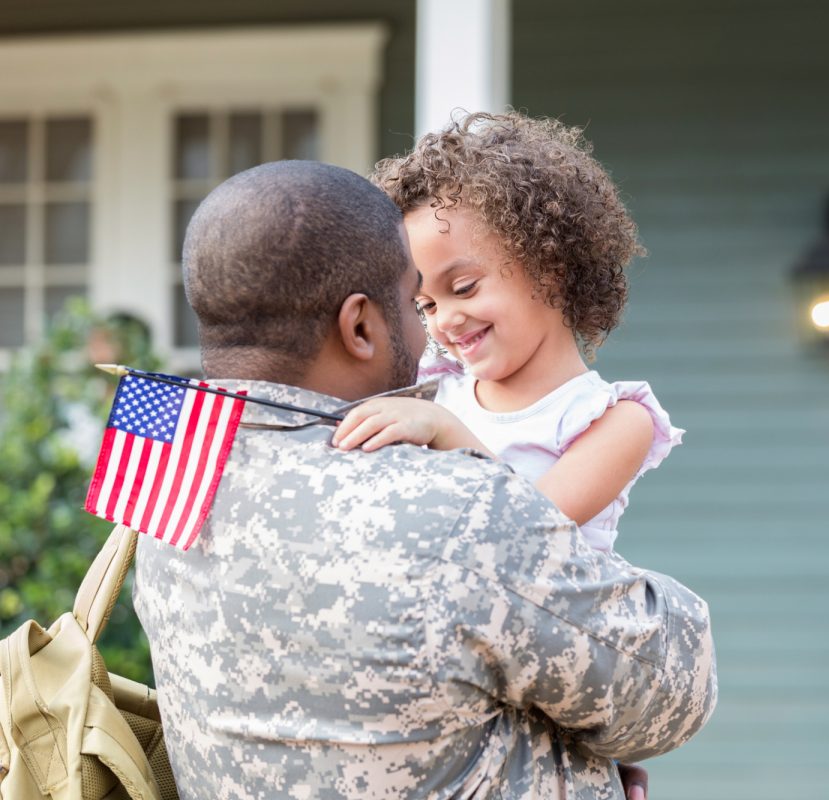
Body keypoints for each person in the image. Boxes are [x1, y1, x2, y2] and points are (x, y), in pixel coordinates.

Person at [132, 160, 717, 800]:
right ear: (360, 326)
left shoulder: (165, 466)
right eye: (417, 303)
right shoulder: (456, 498)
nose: (432, 330)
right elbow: (673, 691)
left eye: (457, 290)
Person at [331, 112, 680, 553]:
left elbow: (528, 532)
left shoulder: (614, 421)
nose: (446, 320)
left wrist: (444, 430)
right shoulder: (432, 390)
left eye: (464, 288)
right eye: (427, 305)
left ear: (549, 267)